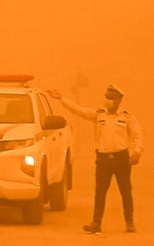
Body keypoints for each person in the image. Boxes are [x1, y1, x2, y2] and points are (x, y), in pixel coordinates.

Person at [59, 85, 142, 234]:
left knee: (126, 191)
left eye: (111, 98)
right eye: (106, 97)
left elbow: (137, 135)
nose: (107, 101)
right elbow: (78, 110)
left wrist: (137, 152)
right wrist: (61, 99)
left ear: (118, 100)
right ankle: (96, 223)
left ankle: (129, 222)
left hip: (121, 158)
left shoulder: (126, 117)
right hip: (103, 159)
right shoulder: (98, 115)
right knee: (100, 192)